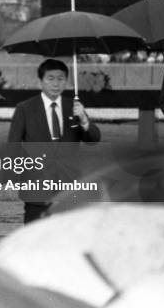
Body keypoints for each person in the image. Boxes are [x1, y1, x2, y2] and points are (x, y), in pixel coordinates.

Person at [8, 59, 101, 223]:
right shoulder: (25, 109)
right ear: (41, 81)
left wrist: (84, 119)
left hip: (69, 184)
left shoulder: (74, 107)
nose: (56, 83)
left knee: (67, 236)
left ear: (66, 81)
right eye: (50, 78)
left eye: (60, 79)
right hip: (36, 185)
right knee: (35, 236)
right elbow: (13, 146)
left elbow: (93, 139)